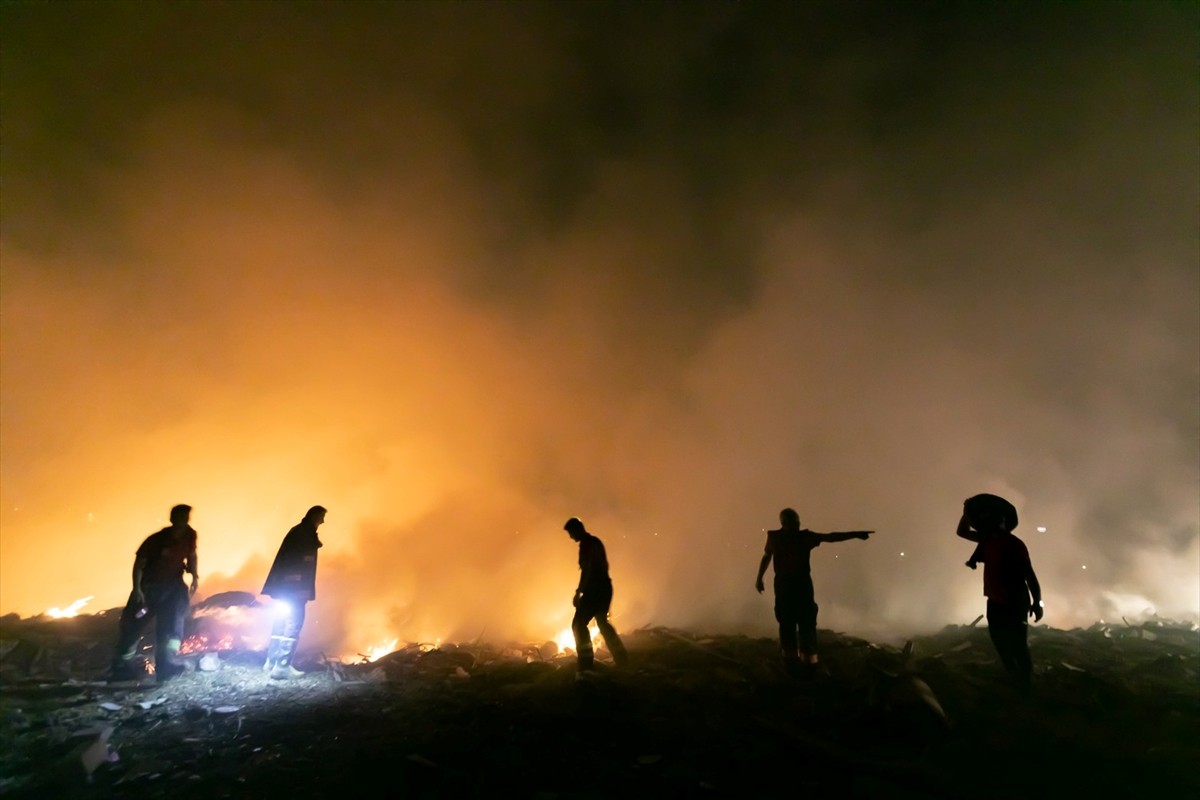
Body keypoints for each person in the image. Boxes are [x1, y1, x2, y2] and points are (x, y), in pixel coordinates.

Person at [755, 508, 872, 673]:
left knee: (803, 622)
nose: (797, 524)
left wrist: (855, 534)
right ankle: (793, 663)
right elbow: (767, 556)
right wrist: (759, 578)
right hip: (790, 585)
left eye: (797, 521)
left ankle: (807, 664)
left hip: (795, 584)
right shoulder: (786, 538)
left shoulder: (788, 537)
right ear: (784, 523)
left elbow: (830, 537)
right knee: (790, 622)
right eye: (794, 522)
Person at [956, 493, 1043, 691]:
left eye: (995, 518)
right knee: (998, 640)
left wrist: (1036, 602)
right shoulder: (986, 541)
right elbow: (962, 531)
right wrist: (967, 512)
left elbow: (1029, 575)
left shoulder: (1015, 544)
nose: (991, 521)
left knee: (1018, 643)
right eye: (986, 518)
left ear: (1004, 522)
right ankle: (1013, 675)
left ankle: (1025, 685)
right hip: (994, 601)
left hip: (1014, 601)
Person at [110, 504, 199, 682]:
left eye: (186, 517)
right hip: (149, 591)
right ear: (173, 519)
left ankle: (166, 666)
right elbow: (139, 564)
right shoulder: (156, 540)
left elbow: (192, 554)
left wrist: (195, 575)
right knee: (133, 626)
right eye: (181, 517)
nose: (184, 521)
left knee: (171, 627)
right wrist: (137, 589)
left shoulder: (190, 535)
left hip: (173, 590)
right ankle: (122, 668)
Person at [261, 505, 325, 679]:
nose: (323, 521)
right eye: (321, 517)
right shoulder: (306, 533)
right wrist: (301, 589)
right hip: (294, 590)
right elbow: (302, 564)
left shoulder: (298, 531)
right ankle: (282, 666)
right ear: (314, 516)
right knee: (294, 623)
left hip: (284, 587)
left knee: (280, 622)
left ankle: (271, 662)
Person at [563, 517, 628, 673]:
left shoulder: (587, 545)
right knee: (602, 623)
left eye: (571, 533)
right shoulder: (596, 542)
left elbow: (588, 569)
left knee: (578, 624)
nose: (571, 537)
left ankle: (585, 663)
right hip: (605, 588)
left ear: (577, 530)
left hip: (595, 590)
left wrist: (579, 592)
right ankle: (622, 659)